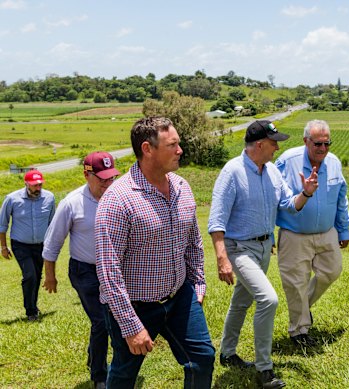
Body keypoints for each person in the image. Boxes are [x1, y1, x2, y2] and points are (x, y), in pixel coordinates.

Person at [95, 117, 215, 388]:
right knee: (125, 373)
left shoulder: (182, 187)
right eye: (173, 145)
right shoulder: (118, 199)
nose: (180, 150)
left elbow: (193, 241)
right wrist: (130, 325)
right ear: (147, 149)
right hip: (135, 305)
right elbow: (108, 270)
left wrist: (198, 283)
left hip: (180, 296)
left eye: (179, 143)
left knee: (202, 359)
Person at [208, 120, 318, 389]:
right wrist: (222, 258)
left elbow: (288, 206)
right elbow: (216, 220)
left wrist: (306, 192)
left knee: (241, 301)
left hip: (263, 248)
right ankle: (264, 369)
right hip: (239, 249)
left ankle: (227, 353)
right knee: (268, 300)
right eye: (273, 143)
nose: (277, 148)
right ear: (259, 145)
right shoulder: (232, 171)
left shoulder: (271, 172)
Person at [42, 151, 120, 389]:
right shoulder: (71, 202)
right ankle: (99, 376)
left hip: (113, 269)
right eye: (102, 178)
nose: (108, 183)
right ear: (87, 175)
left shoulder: (118, 197)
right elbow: (53, 241)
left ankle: (93, 357)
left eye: (111, 178)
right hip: (84, 271)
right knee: (101, 321)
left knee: (113, 319)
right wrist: (50, 276)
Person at [275, 119, 349, 347]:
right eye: (318, 144)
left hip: (327, 231)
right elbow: (273, 198)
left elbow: (341, 197)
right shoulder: (287, 162)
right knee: (296, 283)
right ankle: (298, 331)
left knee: (332, 271)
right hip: (294, 233)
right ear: (306, 141)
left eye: (327, 143)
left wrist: (343, 228)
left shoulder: (334, 162)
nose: (323, 149)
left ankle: (303, 310)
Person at [1, 169, 55, 321]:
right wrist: (3, 247)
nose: (38, 188)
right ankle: (30, 311)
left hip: (41, 244)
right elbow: (2, 225)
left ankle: (33, 305)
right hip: (20, 244)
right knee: (30, 275)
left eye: (40, 185)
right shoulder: (12, 199)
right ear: (26, 184)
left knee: (37, 276)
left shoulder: (49, 198)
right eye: (34, 185)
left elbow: (52, 223)